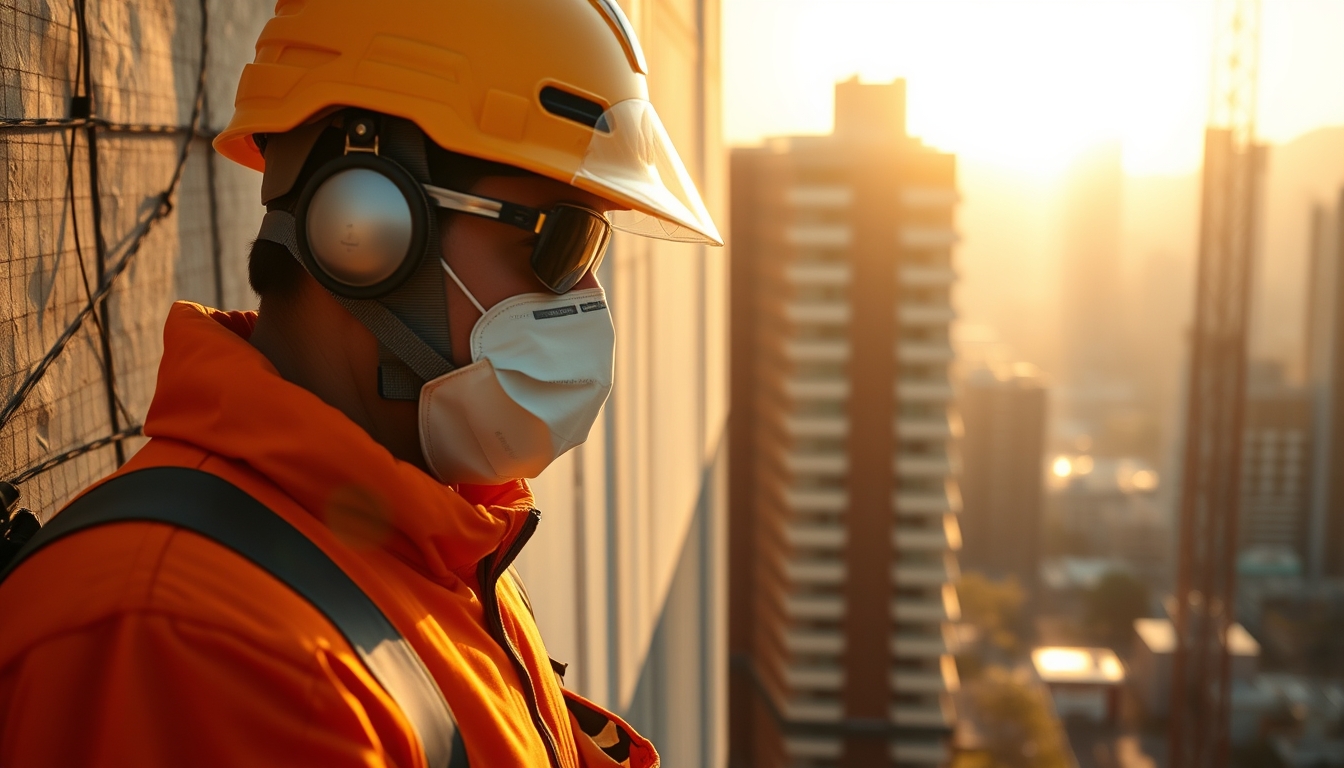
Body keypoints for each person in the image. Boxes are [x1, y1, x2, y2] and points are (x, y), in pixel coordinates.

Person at [0, 1, 721, 766]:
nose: (584, 303)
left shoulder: (437, 543)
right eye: (559, 242)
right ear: (363, 222)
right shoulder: (196, 647)